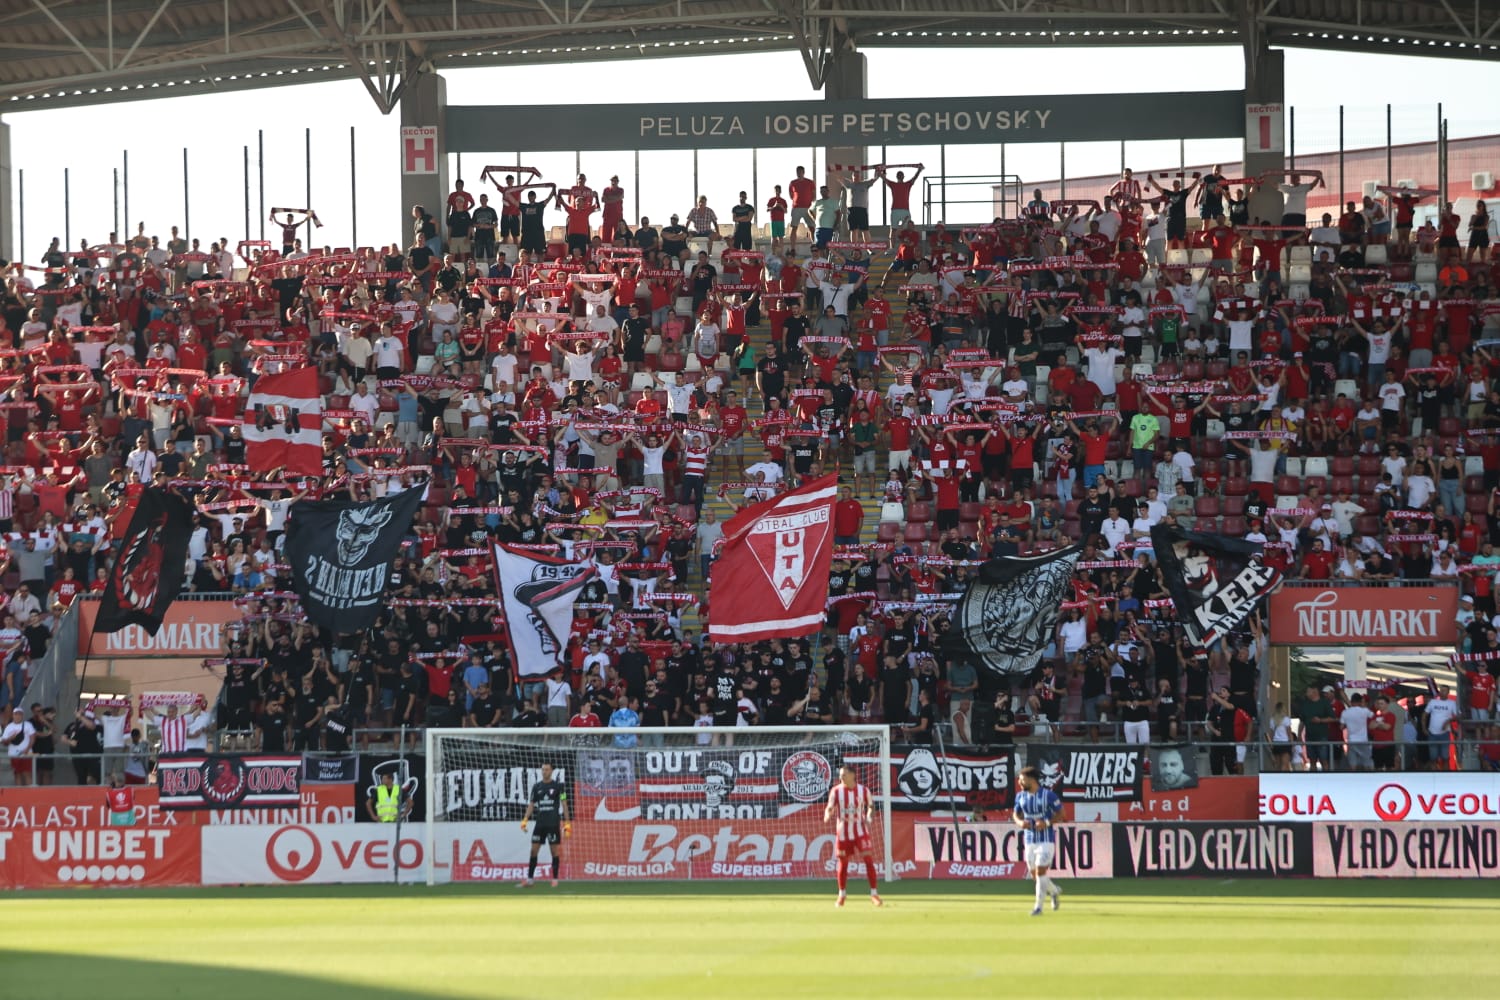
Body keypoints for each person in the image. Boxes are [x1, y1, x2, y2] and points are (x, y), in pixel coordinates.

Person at [823, 764, 882, 907]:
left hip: (860, 830)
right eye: (840, 775)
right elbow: (830, 806)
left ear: (852, 775)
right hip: (843, 831)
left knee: (868, 860)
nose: (841, 777)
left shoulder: (864, 790)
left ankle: (874, 894)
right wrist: (827, 814)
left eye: (844, 775)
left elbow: (871, 806)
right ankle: (842, 895)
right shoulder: (836, 791)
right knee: (843, 863)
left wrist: (869, 817)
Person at [1013, 765, 1062, 916]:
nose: (1020, 783)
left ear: (1032, 780)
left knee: (1041, 871)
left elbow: (1062, 814)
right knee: (1035, 875)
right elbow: (1015, 814)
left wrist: (1046, 823)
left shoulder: (1048, 795)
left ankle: (1038, 908)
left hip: (1046, 840)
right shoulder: (1020, 796)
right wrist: (1020, 822)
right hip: (1029, 840)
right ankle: (1054, 891)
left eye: (1022, 780)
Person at [519, 761, 570, 887]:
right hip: (540, 824)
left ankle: (555, 879)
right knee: (533, 851)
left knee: (554, 852)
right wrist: (525, 820)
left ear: (551, 771)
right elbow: (532, 804)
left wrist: (567, 823)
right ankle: (530, 879)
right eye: (543, 769)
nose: (544, 772)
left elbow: (564, 804)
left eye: (547, 769)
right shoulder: (537, 787)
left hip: (553, 824)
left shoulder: (559, 786)